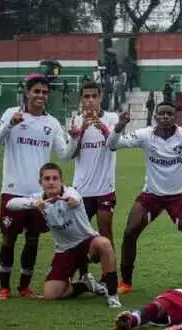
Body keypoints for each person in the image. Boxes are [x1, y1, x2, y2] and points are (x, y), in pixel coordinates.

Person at [106, 101, 182, 291]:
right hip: (151, 195)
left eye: (169, 114)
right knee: (130, 232)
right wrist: (120, 125)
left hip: (178, 195)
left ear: (175, 117)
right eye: (161, 114)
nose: (165, 117)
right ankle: (126, 281)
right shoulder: (145, 135)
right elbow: (112, 145)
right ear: (155, 117)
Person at [5, 163, 122, 307]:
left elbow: (75, 199)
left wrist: (71, 201)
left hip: (87, 243)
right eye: (47, 179)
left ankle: (112, 295)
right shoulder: (38, 199)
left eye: (55, 178)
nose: (51, 182)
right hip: (64, 250)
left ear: (62, 181)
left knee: (104, 243)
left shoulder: (70, 193)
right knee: (50, 295)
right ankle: (85, 285)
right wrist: (34, 204)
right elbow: (10, 204)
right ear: (40, 182)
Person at [0, 74, 70, 301]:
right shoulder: (11, 114)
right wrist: (10, 124)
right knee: (9, 239)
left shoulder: (52, 123)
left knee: (33, 239)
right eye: (36, 91)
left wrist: (75, 138)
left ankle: (24, 287)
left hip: (40, 194)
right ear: (27, 93)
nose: (40, 96)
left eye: (44, 92)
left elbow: (65, 155)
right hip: (13, 189)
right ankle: (4, 287)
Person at [64, 79, 121, 293]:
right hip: (81, 189)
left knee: (106, 231)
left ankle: (109, 278)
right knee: (78, 234)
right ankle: (84, 275)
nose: (90, 101)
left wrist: (101, 125)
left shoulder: (112, 118)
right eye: (86, 97)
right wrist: (77, 135)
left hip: (105, 187)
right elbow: (68, 156)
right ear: (81, 99)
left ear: (100, 97)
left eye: (93, 96)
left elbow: (114, 145)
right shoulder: (76, 121)